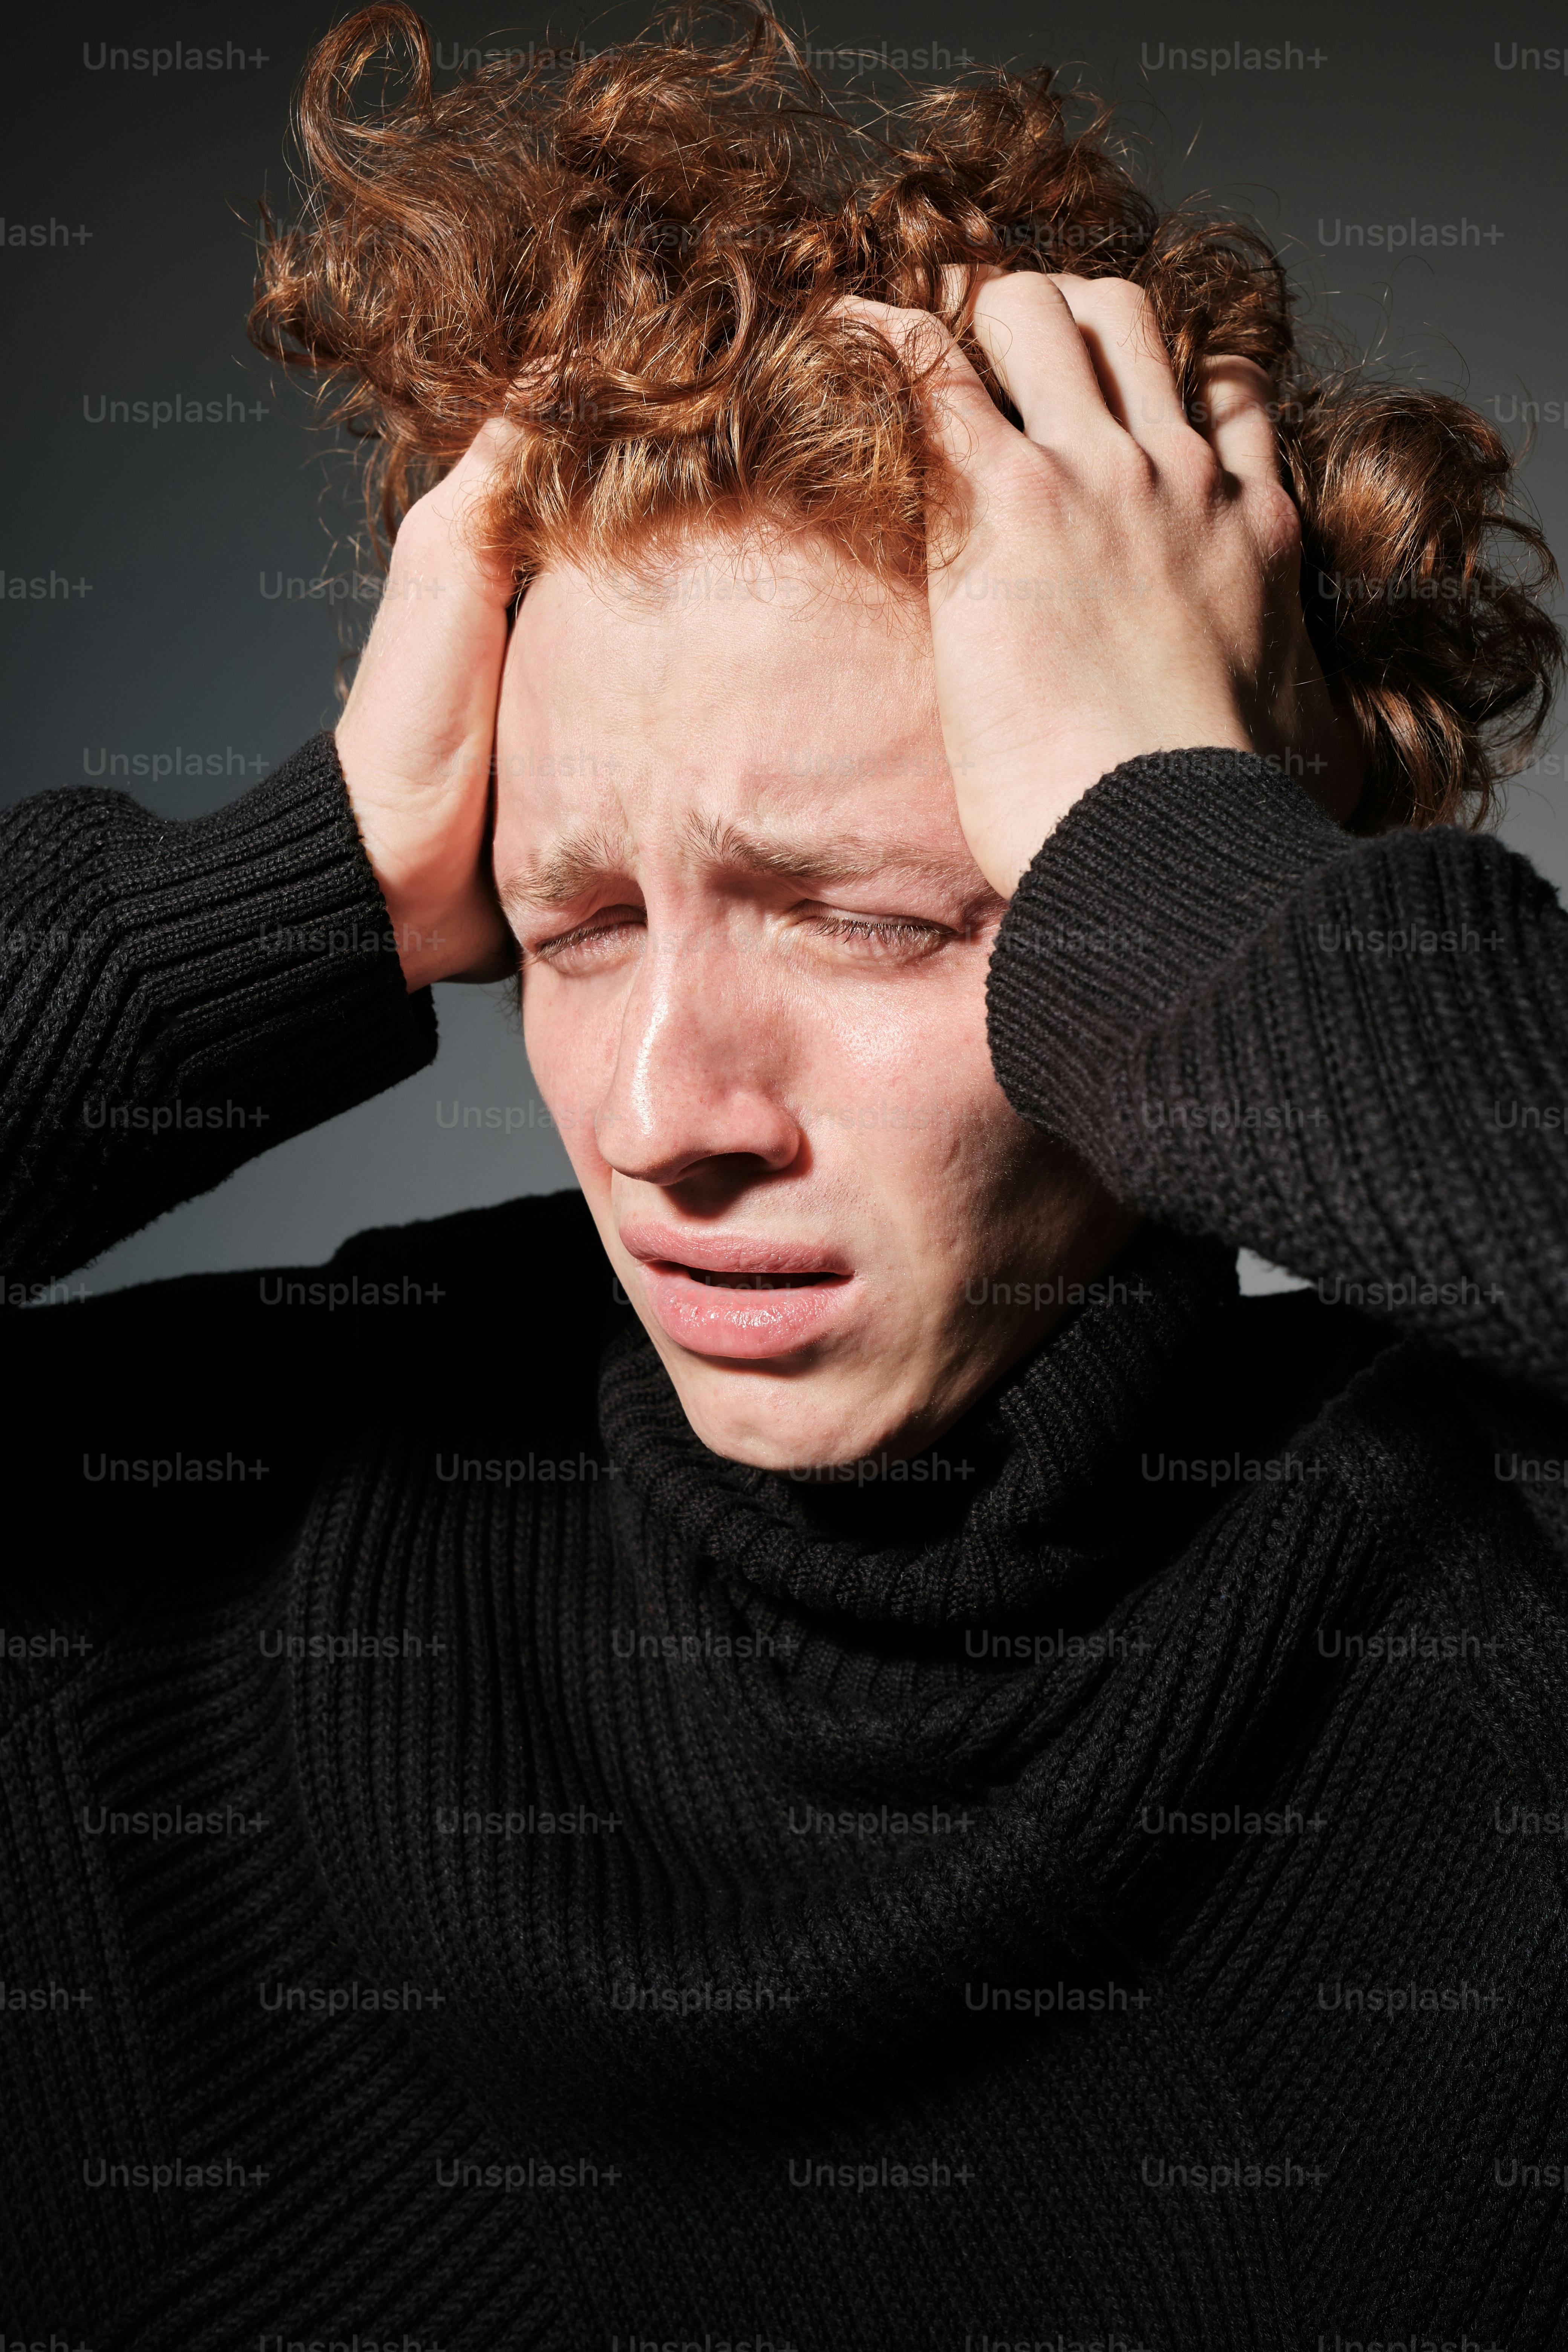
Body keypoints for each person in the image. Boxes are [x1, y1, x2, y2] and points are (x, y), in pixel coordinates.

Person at [3, 8, 1566, 2346]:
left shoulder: (1487, 1614)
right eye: (578, 923)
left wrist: (1176, 820)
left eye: (873, 919)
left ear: (1202, 900)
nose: (664, 1110)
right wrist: (292, 881)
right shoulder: (193, 1540)